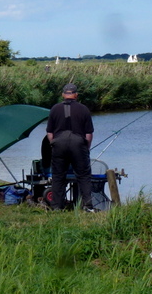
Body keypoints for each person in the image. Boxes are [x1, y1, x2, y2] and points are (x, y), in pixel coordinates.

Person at [46, 83, 95, 212]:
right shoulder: (84, 109)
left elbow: (49, 133)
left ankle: (57, 207)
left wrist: (54, 144)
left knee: (58, 176)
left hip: (59, 144)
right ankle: (87, 206)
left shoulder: (54, 109)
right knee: (83, 175)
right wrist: (86, 149)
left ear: (63, 95)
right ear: (76, 95)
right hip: (78, 144)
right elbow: (89, 134)